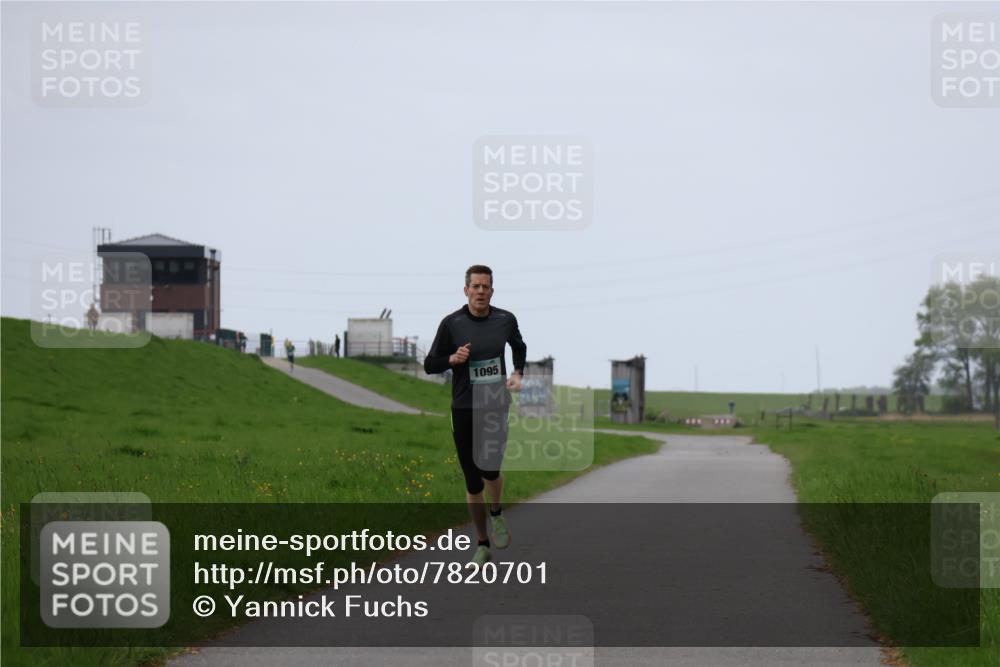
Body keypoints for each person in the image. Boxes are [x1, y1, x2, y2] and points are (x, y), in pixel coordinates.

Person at [424, 265, 526, 567]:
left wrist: (518, 374)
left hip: (495, 403)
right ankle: (481, 544)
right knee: (472, 481)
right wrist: (451, 359)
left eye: (486, 287)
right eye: (475, 286)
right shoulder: (451, 324)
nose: (481, 291)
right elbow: (430, 364)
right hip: (464, 406)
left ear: (492, 291)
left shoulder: (505, 319)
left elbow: (519, 346)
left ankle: (496, 513)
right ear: (466, 290)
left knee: (490, 470)